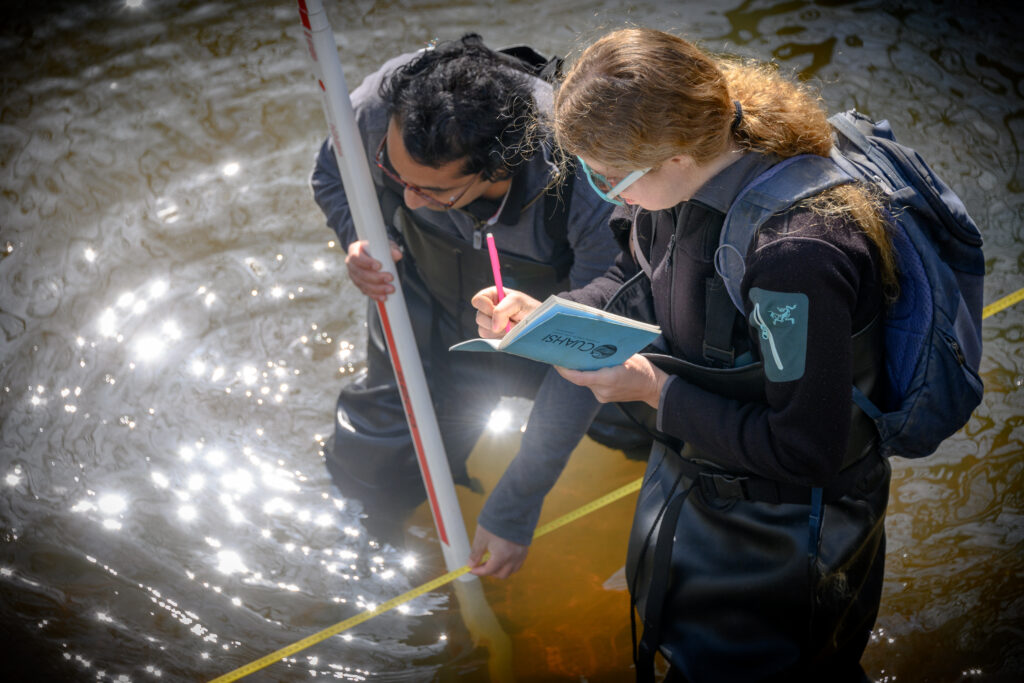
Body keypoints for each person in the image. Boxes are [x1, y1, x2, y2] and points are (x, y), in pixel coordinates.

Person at [472, 28, 895, 681]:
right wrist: (550, 315)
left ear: (672, 154)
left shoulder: (796, 257)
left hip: (791, 539)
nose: (603, 190)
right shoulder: (677, 187)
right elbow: (632, 278)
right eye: (587, 171)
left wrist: (651, 390)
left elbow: (808, 447)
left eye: (608, 176)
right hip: (703, 491)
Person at [310, 34, 648, 578]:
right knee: (369, 466)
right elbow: (330, 174)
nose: (409, 200)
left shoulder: (586, 180)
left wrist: (518, 502)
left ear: (495, 169)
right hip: (428, 308)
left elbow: (589, 347)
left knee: (654, 416)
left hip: (549, 325)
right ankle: (366, 569)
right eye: (396, 177)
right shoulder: (378, 109)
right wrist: (357, 237)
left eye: (434, 192)